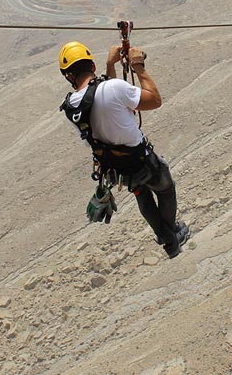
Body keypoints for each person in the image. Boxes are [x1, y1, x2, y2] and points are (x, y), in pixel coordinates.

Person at [57, 41, 191, 258]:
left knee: (141, 194)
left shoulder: (71, 107)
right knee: (165, 190)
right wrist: (138, 66)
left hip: (117, 167)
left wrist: (111, 64)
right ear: (92, 64)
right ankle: (171, 236)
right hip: (142, 158)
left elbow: (104, 102)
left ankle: (168, 240)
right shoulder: (113, 88)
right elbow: (154, 100)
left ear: (68, 76)